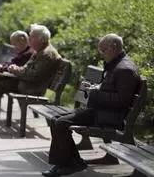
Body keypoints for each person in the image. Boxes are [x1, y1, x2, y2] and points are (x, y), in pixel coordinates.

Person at [41, 33, 140, 177]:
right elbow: (111, 89)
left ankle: (70, 164)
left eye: (103, 50)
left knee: (61, 123)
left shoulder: (125, 69)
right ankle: (69, 163)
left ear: (114, 47)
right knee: (55, 119)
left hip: (110, 116)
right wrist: (96, 87)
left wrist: (95, 92)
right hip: (100, 111)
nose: (101, 54)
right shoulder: (116, 64)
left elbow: (121, 100)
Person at [0, 24, 62, 132]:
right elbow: (27, 69)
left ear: (42, 39)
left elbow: (32, 75)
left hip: (31, 87)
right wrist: (16, 68)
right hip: (27, 83)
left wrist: (15, 70)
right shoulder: (41, 50)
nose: (30, 40)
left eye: (32, 38)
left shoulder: (46, 54)